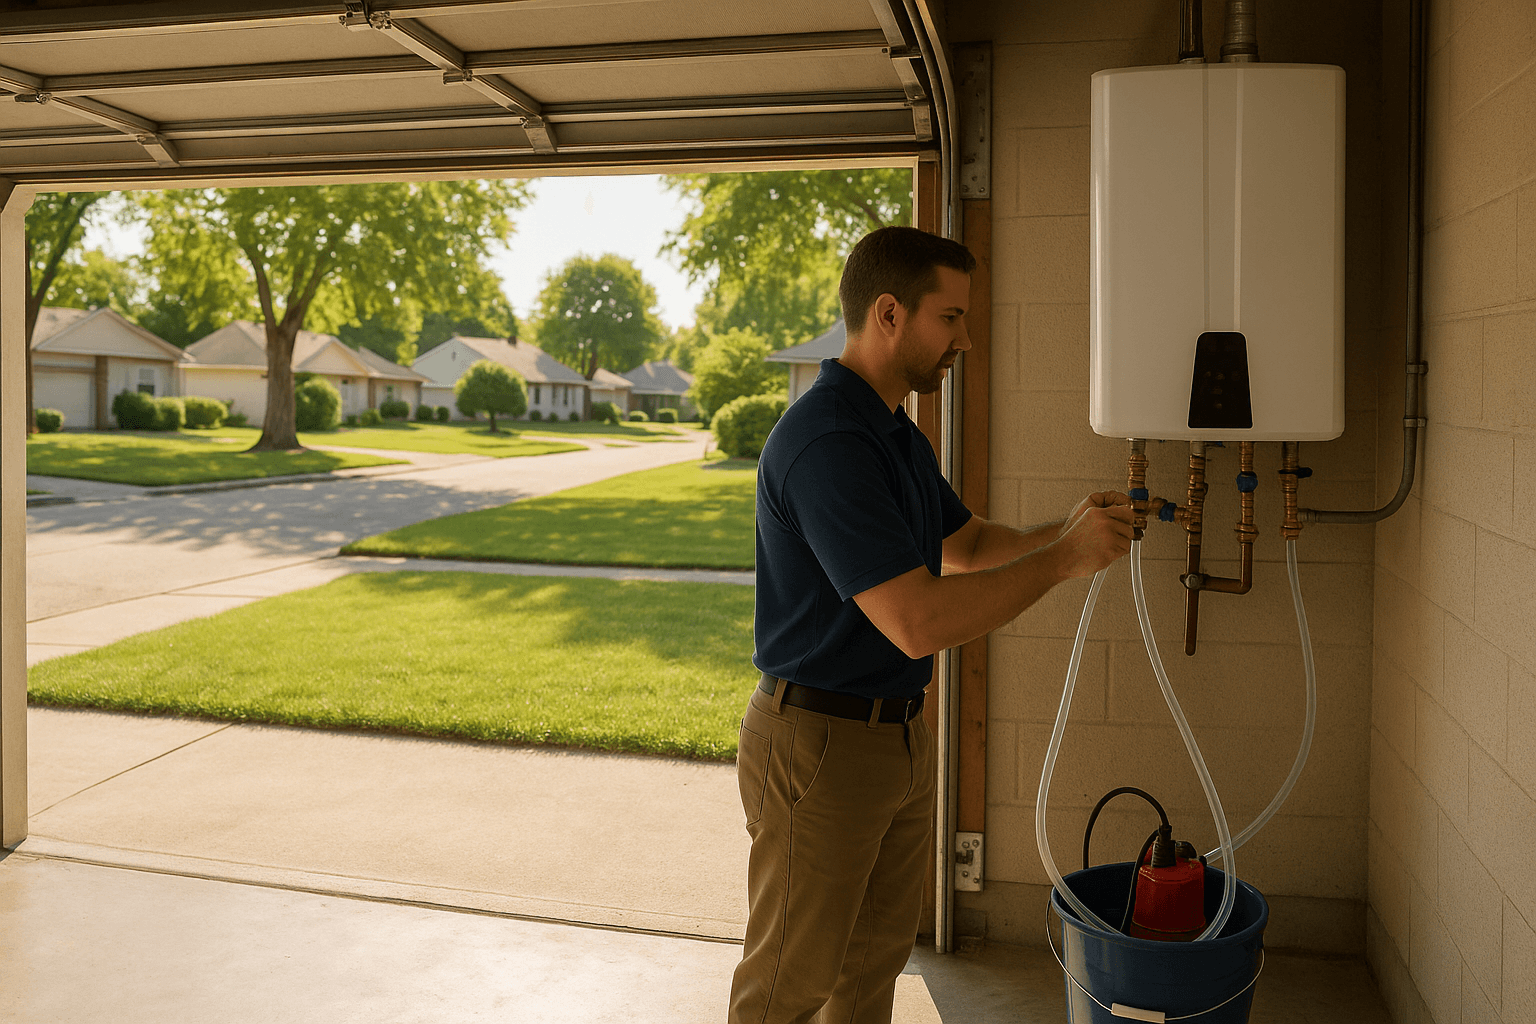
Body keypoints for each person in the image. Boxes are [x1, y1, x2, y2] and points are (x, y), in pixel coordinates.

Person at [729, 226, 1134, 1024]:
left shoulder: (892, 432)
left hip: (895, 739)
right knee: (789, 984)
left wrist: (1068, 532)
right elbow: (913, 619)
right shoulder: (829, 441)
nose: (967, 340)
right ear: (889, 314)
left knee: (868, 970)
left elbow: (969, 543)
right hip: (822, 745)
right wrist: (1060, 563)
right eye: (950, 318)